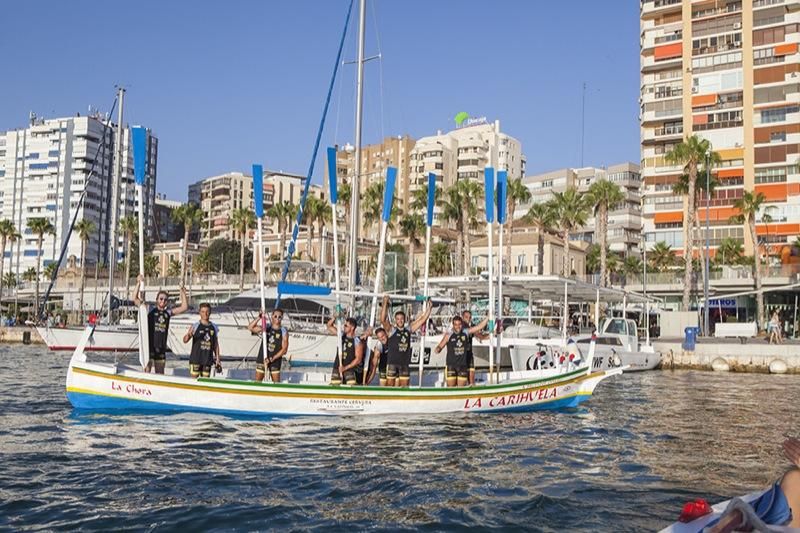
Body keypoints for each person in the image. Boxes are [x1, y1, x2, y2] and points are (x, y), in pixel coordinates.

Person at [132, 274, 189, 374]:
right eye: (161, 299)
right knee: (147, 371)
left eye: (165, 299)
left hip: (161, 347)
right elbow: (135, 299)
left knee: (160, 372)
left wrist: (182, 292)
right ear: (157, 300)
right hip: (149, 346)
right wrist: (138, 283)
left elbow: (184, 307)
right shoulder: (149, 309)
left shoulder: (168, 313)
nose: (163, 301)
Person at [380, 295, 433, 387]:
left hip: (404, 363)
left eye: (402, 319)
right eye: (398, 319)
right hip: (392, 363)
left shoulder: (408, 329)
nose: (400, 321)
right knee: (390, 386)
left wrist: (430, 307)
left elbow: (423, 319)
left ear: (404, 319)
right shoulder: (392, 330)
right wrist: (385, 303)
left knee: (404, 387)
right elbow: (382, 320)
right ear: (395, 320)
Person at [434, 314, 489, 387]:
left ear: (461, 324)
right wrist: (438, 349)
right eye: (456, 324)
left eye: (459, 324)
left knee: (461, 388)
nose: (458, 326)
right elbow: (440, 346)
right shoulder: (449, 335)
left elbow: (479, 327)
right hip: (451, 365)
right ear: (453, 325)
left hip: (462, 366)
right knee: (451, 388)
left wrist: (488, 317)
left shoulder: (465, 332)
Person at [247, 308, 289, 383]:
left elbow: (284, 350)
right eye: (275, 316)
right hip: (263, 358)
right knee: (257, 382)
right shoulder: (266, 327)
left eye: (280, 317)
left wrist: (272, 358)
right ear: (272, 316)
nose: (277, 318)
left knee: (276, 384)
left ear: (282, 318)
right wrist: (259, 317)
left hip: (275, 360)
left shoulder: (283, 331)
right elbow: (250, 327)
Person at [182, 303, 221, 378]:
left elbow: (215, 344)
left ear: (210, 312)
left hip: (207, 360)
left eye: (207, 311)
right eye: (203, 311)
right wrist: (188, 335)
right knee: (194, 381)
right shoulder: (196, 325)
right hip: (196, 359)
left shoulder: (214, 327)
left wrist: (218, 359)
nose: (205, 314)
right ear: (199, 312)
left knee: (205, 381)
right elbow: (185, 340)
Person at [326, 315, 364, 386]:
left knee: (351, 386)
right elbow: (329, 326)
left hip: (349, 369)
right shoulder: (341, 335)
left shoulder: (357, 341)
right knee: (334, 386)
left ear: (352, 328)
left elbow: (358, 359)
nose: (344, 326)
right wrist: (335, 317)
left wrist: (345, 368)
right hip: (337, 366)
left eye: (346, 325)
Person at [461, 309, 489, 385]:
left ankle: (472, 389)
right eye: (466, 317)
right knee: (462, 379)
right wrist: (487, 317)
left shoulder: (471, 327)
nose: (468, 319)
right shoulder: (461, 327)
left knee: (472, 376)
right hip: (461, 356)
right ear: (462, 318)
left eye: (470, 317)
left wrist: (492, 334)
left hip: (469, 355)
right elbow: (479, 327)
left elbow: (481, 336)